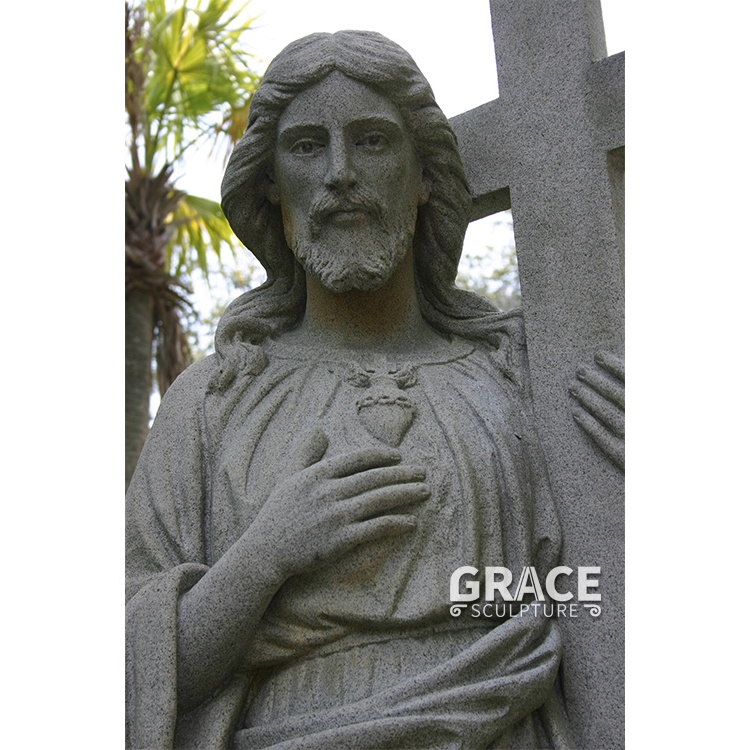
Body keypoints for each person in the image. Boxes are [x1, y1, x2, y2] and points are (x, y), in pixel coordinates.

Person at [126, 30, 581, 749]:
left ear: (424, 173)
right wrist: (263, 556)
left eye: (372, 141)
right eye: (308, 147)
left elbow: (588, 598)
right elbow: (135, 672)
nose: (340, 173)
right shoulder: (214, 401)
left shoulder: (514, 377)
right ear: (270, 184)